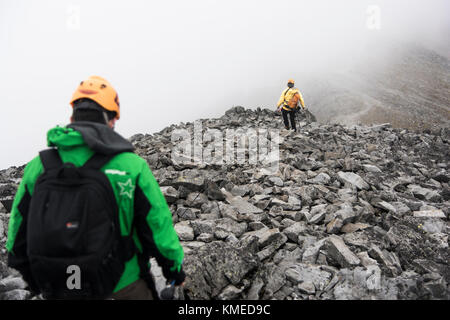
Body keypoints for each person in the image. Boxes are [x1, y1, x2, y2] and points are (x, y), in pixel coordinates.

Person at [6, 75, 185, 300]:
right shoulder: (130, 166)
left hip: (58, 287)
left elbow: (17, 232)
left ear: (72, 116)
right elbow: (157, 226)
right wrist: (174, 270)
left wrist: (34, 280)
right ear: (111, 120)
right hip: (122, 284)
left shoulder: (39, 166)